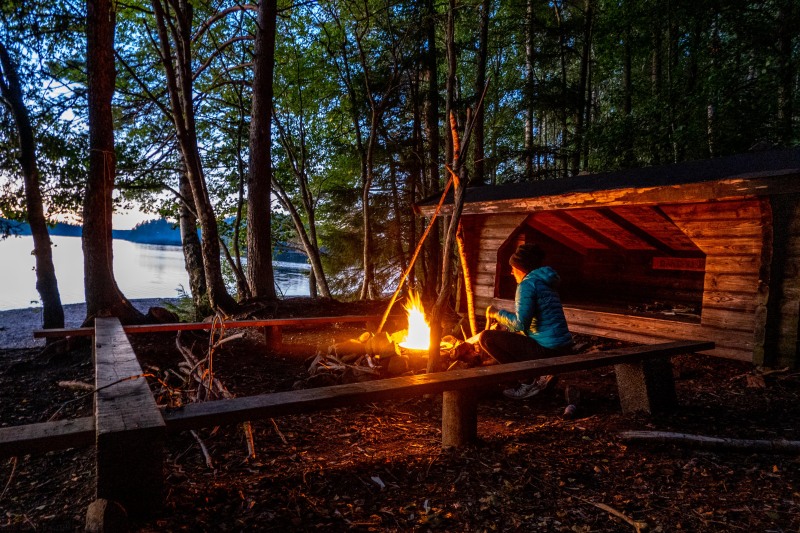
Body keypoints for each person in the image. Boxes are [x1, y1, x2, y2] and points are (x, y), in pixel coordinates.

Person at [478, 243, 573, 399]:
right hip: (563, 347)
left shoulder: (527, 285)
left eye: (513, 268)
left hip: (548, 350)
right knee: (508, 336)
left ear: (520, 268)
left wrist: (497, 313)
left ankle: (527, 383)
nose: (511, 271)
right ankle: (533, 378)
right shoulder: (545, 282)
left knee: (486, 338)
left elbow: (521, 324)